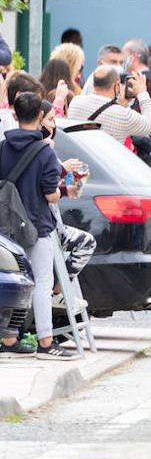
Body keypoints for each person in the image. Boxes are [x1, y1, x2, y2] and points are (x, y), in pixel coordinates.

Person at [0, 93, 82, 360]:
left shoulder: (3, 146)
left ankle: (10, 338)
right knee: (42, 284)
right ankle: (46, 342)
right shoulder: (44, 152)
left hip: (7, 228)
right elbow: (50, 195)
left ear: (14, 114)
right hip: (36, 227)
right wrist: (68, 191)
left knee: (16, 282)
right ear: (39, 116)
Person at [67, 65, 151, 143]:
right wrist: (142, 93)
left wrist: (119, 105)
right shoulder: (124, 115)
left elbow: (106, 115)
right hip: (106, 164)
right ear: (117, 85)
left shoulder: (75, 102)